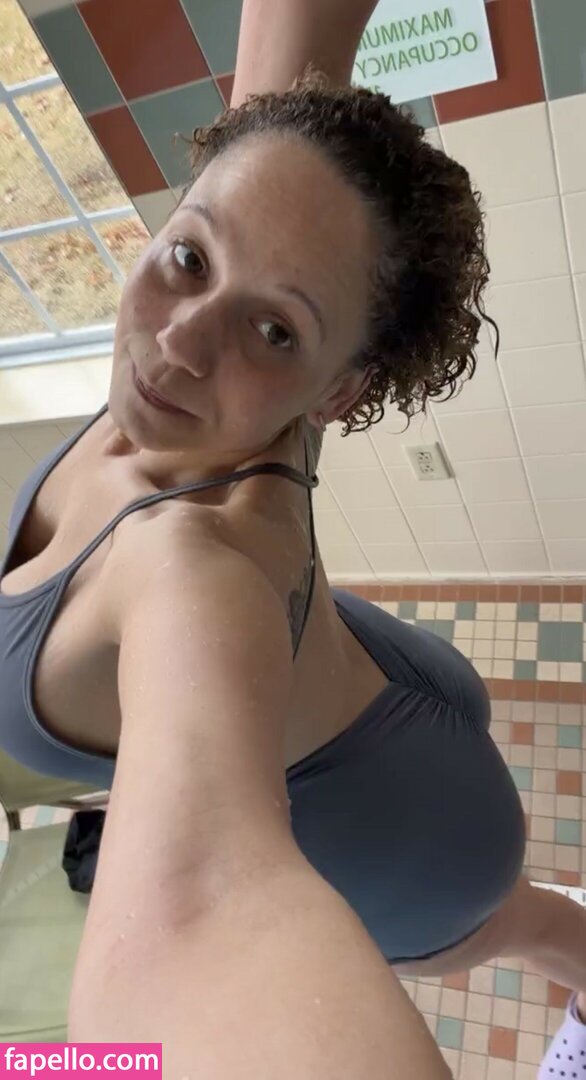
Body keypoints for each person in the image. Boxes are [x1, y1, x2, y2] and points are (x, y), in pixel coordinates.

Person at [0, 0, 584, 1075]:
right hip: (385, 685)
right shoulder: (273, 232)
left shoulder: (194, 575)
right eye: (189, 257)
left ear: (337, 394)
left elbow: (197, 917)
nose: (180, 339)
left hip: (401, 831)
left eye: (275, 330)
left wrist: (73, 1064)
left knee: (536, 929)